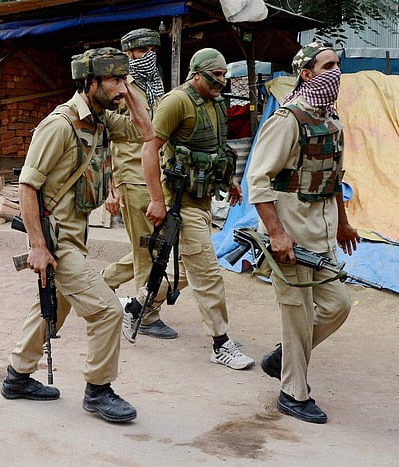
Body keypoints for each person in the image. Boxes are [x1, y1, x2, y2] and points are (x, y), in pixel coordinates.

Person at [0, 47, 155, 423]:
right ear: (90, 82)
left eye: (124, 79)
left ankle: (17, 376)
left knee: (53, 306)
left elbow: (147, 131)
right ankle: (98, 390)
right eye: (114, 79)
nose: (122, 87)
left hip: (75, 237)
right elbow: (27, 186)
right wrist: (38, 246)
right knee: (107, 311)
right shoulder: (59, 125)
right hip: (57, 240)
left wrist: (128, 91)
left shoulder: (102, 121)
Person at [247, 42, 360, 424]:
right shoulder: (287, 120)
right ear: (307, 74)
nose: (336, 72)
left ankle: (284, 357)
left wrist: (342, 222)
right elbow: (258, 180)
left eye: (338, 64)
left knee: (337, 305)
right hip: (291, 236)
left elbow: (334, 178)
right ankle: (293, 393)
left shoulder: (331, 120)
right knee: (297, 314)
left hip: (322, 234)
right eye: (327, 66)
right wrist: (276, 234)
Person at [123, 47, 255, 371]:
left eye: (224, 74)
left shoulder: (216, 103)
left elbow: (216, 149)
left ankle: (134, 308)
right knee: (208, 274)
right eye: (216, 74)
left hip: (204, 200)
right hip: (180, 204)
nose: (222, 80)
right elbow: (149, 149)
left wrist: (230, 181)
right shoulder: (176, 102)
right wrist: (157, 200)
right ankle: (220, 343)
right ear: (196, 73)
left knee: (183, 273)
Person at [101, 28, 178, 340]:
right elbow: (106, 138)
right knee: (147, 250)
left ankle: (102, 283)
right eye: (142, 50)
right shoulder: (121, 88)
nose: (149, 55)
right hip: (131, 176)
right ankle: (146, 315)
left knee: (150, 246)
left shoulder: (154, 84)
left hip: (156, 176)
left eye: (152, 49)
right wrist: (112, 188)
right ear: (129, 53)